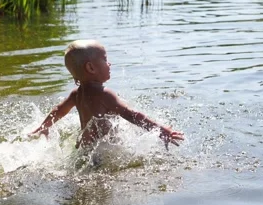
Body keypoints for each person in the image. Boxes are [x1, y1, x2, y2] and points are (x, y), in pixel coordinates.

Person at [29, 40, 184, 150]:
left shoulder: (76, 93)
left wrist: (43, 127)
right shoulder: (105, 95)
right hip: (103, 152)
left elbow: (59, 110)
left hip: (83, 149)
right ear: (90, 67)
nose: (109, 64)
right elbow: (132, 114)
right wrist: (162, 130)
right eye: (105, 59)